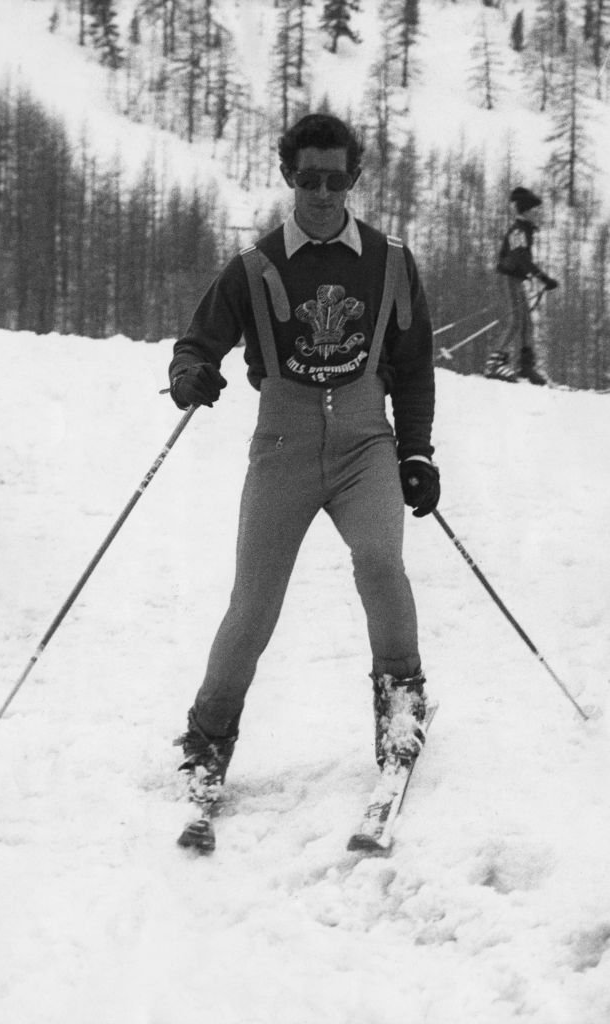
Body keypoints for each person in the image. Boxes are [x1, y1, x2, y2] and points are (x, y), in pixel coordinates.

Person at [168, 112, 439, 816]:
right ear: (289, 177)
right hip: (283, 441)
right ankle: (207, 738)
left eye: (336, 178)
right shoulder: (254, 267)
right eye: (309, 178)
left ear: (353, 179)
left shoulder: (389, 261)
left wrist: (414, 450)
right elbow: (198, 343)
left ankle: (401, 706)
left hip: (362, 441)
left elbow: (411, 369)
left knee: (380, 562)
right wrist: (189, 375)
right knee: (254, 600)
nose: (322, 192)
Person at [484, 186, 558, 385]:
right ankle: (494, 364)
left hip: (516, 279)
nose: (538, 213)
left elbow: (522, 259)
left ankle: (525, 365)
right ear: (526, 210)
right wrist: (542, 277)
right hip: (508, 278)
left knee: (526, 322)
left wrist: (539, 278)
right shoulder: (518, 230)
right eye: (535, 210)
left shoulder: (525, 229)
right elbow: (520, 258)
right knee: (516, 321)